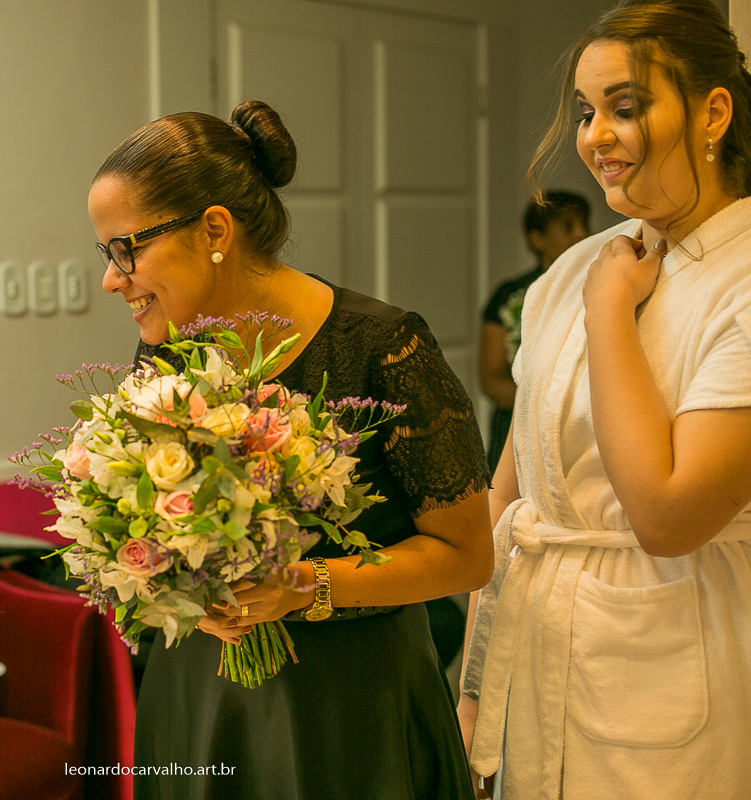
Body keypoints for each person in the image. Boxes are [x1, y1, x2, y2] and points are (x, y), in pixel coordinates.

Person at [88, 99, 494, 800]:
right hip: (204, 698)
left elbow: (467, 557)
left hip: (350, 709)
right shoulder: (169, 352)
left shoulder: (384, 348)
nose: (111, 278)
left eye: (127, 249)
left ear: (215, 229)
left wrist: (304, 586)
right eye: (107, 254)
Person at [459, 1, 751, 797]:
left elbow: (667, 517)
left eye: (626, 108)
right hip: (535, 662)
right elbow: (511, 497)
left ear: (712, 112)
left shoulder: (735, 281)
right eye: (587, 112)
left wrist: (609, 313)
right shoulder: (571, 271)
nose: (595, 137)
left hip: (673, 681)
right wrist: (474, 691)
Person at [479, 192, 590, 472]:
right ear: (537, 239)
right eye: (568, 227)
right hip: (516, 428)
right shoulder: (511, 295)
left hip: (580, 431)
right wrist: (545, 403)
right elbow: (491, 380)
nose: (583, 234)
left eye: (584, 224)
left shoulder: (598, 287)